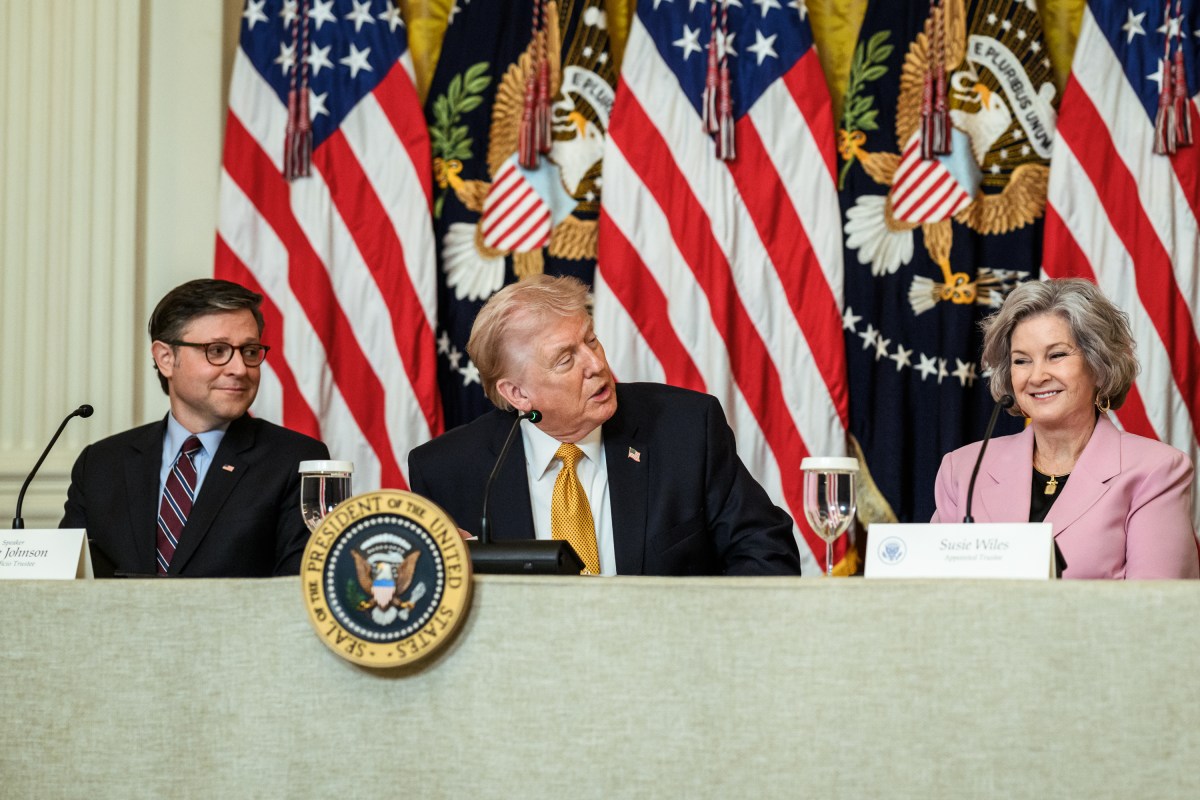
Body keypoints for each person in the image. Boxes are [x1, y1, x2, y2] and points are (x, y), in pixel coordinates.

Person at [408, 275, 801, 576]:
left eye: (591, 341)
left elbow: (766, 550)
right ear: (517, 394)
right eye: (566, 360)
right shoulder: (449, 471)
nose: (596, 365)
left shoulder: (684, 429)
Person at [60, 279, 329, 577]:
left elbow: (299, 593)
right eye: (217, 350)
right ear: (166, 358)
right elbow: (66, 586)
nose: (239, 368)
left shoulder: (298, 461)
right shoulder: (100, 464)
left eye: (250, 351)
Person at [932, 278, 1199, 579]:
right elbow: (933, 595)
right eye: (1021, 361)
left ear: (1098, 365)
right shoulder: (963, 470)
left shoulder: (1155, 471)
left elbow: (1159, 611)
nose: (1037, 376)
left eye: (1056, 355)